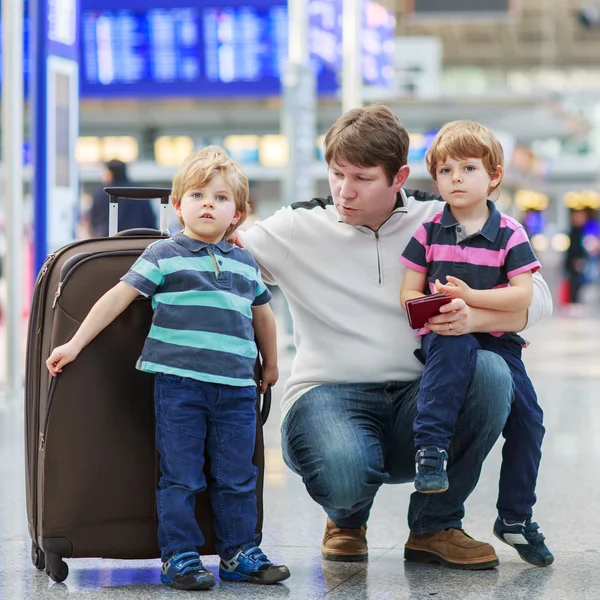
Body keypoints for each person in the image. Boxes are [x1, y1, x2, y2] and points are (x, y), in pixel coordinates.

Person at [239, 105, 552, 570]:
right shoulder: (296, 227)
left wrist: (473, 320)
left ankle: (436, 526)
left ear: (399, 176)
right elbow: (220, 253)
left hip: (422, 399)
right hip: (328, 396)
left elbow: (539, 298)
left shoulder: (443, 218)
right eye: (336, 174)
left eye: (362, 178)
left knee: (490, 371)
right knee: (345, 471)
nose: (345, 191)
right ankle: (345, 520)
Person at [46, 147, 291, 590]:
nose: (207, 204)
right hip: (180, 385)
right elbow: (118, 298)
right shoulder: (164, 253)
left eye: (220, 198)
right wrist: (75, 343)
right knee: (180, 475)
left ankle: (239, 552)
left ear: (237, 214)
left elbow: (264, 316)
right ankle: (179, 556)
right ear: (178, 205)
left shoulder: (244, 262)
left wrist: (271, 365)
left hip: (237, 387)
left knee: (238, 475)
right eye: (197, 195)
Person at [399, 120, 553, 566]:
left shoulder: (510, 233)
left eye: (468, 168)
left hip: (501, 343)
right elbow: (408, 293)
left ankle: (516, 517)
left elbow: (523, 293)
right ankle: (431, 451)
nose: (456, 179)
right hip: (445, 336)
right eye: (445, 171)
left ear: (495, 176)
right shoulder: (429, 232)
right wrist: (437, 309)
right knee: (453, 347)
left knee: (530, 421)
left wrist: (470, 298)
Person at [89, 159, 157, 237]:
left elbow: (94, 219)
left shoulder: (102, 192)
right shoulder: (140, 190)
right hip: (138, 239)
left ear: (110, 173)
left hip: (107, 240)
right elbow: (149, 218)